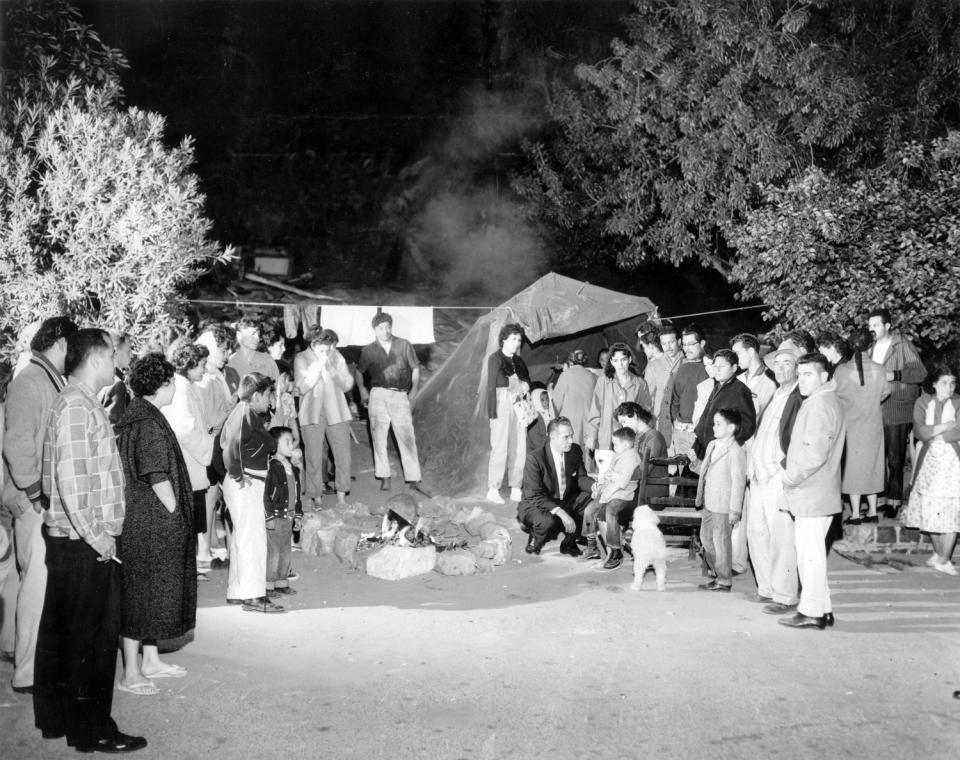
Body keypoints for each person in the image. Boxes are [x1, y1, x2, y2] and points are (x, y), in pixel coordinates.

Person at [35, 328, 147, 752]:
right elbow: (72, 484)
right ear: (98, 359)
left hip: (73, 541)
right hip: (84, 545)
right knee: (94, 642)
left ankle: (64, 721)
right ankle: (93, 730)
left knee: (69, 637)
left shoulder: (75, 402)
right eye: (114, 355)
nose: (119, 362)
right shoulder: (78, 407)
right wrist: (101, 539)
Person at [2, 316, 77, 695]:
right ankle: (28, 673)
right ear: (61, 343)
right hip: (34, 501)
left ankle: (23, 657)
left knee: (31, 582)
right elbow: (17, 445)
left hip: (38, 499)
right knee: (36, 586)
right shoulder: (30, 381)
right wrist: (34, 495)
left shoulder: (45, 378)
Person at [116, 353, 197, 695]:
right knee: (137, 596)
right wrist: (175, 509)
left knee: (145, 594)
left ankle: (150, 660)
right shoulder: (147, 423)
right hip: (149, 522)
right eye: (172, 381)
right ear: (162, 385)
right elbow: (155, 473)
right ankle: (131, 672)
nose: (176, 387)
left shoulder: (141, 415)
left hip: (144, 520)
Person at [778, 353, 845, 630]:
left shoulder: (820, 404)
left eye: (808, 375)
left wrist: (790, 477)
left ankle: (811, 612)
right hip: (816, 491)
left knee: (810, 555)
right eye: (800, 373)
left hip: (812, 491)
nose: (802, 379)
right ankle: (823, 608)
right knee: (812, 552)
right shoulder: (822, 400)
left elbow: (814, 454)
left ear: (824, 376)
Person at [221, 372, 284, 613]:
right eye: (268, 395)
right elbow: (229, 447)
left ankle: (239, 591)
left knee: (243, 539)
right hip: (245, 484)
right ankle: (254, 595)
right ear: (256, 395)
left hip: (245, 482)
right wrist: (237, 474)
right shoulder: (245, 412)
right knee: (253, 540)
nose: (270, 400)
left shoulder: (245, 412)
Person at [747, 345, 802, 612]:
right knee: (757, 533)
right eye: (777, 363)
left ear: (798, 368)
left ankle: (785, 595)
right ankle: (766, 588)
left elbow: (799, 440)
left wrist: (783, 467)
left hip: (777, 475)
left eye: (787, 363)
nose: (780, 368)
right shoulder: (775, 393)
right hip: (757, 476)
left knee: (781, 537)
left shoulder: (799, 396)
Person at [817, 329, 889, 524]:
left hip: (850, 425)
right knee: (873, 466)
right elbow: (885, 393)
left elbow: (834, 394)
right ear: (870, 345)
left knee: (853, 468)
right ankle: (873, 511)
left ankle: (856, 514)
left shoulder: (841, 371)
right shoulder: (880, 369)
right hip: (873, 423)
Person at [900, 363, 960, 576]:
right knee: (930, 506)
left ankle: (943, 558)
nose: (949, 388)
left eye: (952, 384)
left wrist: (937, 434)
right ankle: (939, 554)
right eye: (944, 383)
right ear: (934, 384)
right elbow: (919, 431)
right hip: (929, 461)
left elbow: (959, 431)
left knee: (953, 507)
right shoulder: (922, 402)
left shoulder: (958, 402)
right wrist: (944, 427)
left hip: (953, 461)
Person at [163, 343, 215, 578]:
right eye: (202, 365)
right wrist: (208, 449)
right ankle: (185, 573)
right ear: (190, 364)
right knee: (187, 521)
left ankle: (189, 570)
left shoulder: (186, 385)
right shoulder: (181, 388)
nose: (205, 370)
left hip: (192, 461)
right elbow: (185, 428)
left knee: (192, 522)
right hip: (189, 461)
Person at [868, 308, 926, 516]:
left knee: (895, 458)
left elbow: (920, 372)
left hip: (897, 406)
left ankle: (894, 501)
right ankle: (882, 499)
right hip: (876, 407)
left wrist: (896, 374)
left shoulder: (902, 344)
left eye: (875, 325)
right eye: (869, 325)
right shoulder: (871, 347)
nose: (871, 329)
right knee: (878, 457)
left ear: (887, 326)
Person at [357, 312, 422, 492]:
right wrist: (363, 390)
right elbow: (359, 371)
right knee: (379, 437)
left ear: (391, 327)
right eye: (380, 328)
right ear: (374, 330)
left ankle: (414, 478)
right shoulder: (368, 350)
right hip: (378, 394)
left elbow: (415, 368)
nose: (385, 331)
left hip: (401, 394)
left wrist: (414, 391)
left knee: (407, 436)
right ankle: (384, 476)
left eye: (388, 327)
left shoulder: (404, 345)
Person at [517, 417, 594, 557]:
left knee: (588, 496)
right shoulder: (535, 458)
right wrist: (561, 513)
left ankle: (569, 543)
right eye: (566, 437)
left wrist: (595, 486)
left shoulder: (575, 450)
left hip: (563, 497)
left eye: (572, 435)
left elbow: (581, 478)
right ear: (553, 436)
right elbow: (534, 495)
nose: (571, 440)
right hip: (537, 502)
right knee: (547, 522)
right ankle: (535, 537)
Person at [689, 409, 747, 592]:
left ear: (731, 428)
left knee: (721, 541)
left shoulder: (736, 451)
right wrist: (695, 464)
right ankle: (719, 572)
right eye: (714, 423)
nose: (714, 427)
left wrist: (735, 510)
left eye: (718, 424)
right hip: (708, 501)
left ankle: (724, 580)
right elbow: (707, 471)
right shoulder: (712, 445)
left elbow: (739, 482)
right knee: (706, 538)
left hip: (723, 504)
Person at [295, 327, 354, 507]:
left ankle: (342, 494)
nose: (326, 352)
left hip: (337, 410)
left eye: (329, 348)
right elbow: (302, 388)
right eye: (322, 349)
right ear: (313, 344)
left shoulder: (336, 356)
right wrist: (317, 369)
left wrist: (332, 370)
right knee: (313, 455)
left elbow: (347, 385)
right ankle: (316, 495)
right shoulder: (301, 358)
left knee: (343, 453)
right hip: (312, 412)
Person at [195, 323, 235, 567]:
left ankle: (208, 548)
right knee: (210, 498)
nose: (226, 356)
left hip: (218, 444)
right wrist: (232, 408)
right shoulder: (207, 380)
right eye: (222, 350)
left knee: (214, 497)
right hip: (213, 444)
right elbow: (211, 421)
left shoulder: (216, 375)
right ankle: (204, 551)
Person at [581, 427, 642, 570]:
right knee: (589, 509)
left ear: (626, 445)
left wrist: (607, 494)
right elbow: (609, 473)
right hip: (610, 489)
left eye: (615, 444)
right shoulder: (619, 453)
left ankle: (616, 552)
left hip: (623, 493)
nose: (613, 447)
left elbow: (622, 481)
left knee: (610, 511)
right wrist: (599, 486)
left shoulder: (632, 457)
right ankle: (591, 545)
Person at [484, 323, 531, 504]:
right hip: (501, 405)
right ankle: (493, 488)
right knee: (500, 447)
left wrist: (525, 386)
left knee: (519, 448)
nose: (516, 343)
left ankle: (516, 487)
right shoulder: (495, 359)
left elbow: (527, 379)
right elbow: (490, 386)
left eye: (519, 340)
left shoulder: (519, 361)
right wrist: (492, 414)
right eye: (513, 339)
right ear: (504, 340)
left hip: (519, 406)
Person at [585, 342, 652, 457]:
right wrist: (592, 435)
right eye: (615, 360)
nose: (620, 364)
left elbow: (645, 413)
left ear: (629, 359)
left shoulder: (640, 384)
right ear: (611, 362)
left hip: (630, 442)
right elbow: (595, 409)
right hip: (606, 440)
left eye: (623, 359)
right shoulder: (603, 380)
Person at [692, 349, 756, 458]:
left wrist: (727, 444)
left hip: (722, 452)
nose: (717, 370)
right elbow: (706, 415)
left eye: (722, 367)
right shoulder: (718, 386)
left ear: (734, 368)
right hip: (706, 447)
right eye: (715, 366)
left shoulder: (739, 390)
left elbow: (748, 425)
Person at [264, 427, 302, 595]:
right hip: (277, 516)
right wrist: (269, 516)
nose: (291, 445)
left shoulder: (292, 468)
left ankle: (282, 582)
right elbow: (265, 494)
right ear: (274, 444)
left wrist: (298, 515)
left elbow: (297, 493)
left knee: (286, 550)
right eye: (286, 441)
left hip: (289, 515)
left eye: (292, 441)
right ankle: (268, 585)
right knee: (273, 552)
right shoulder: (271, 467)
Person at [667, 325, 708, 459]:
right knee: (681, 476)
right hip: (680, 432)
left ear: (702, 343)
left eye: (691, 344)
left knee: (697, 476)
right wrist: (676, 422)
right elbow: (675, 400)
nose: (686, 348)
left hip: (700, 434)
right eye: (684, 344)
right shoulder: (682, 369)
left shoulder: (711, 369)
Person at [551, 349, 597, 448]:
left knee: (570, 455)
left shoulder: (566, 375)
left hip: (569, 424)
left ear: (570, 362)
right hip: (589, 424)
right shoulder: (593, 377)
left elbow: (555, 403)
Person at [226, 317, 279, 396]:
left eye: (258, 334)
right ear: (239, 335)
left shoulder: (267, 360)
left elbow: (277, 390)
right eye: (253, 334)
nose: (257, 338)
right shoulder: (230, 363)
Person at [731, 333, 777, 417]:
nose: (735, 359)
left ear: (751, 351)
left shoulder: (769, 381)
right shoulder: (738, 379)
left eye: (737, 354)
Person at [654, 323, 685, 445]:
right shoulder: (654, 366)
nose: (668, 347)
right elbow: (649, 397)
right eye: (664, 344)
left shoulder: (688, 361)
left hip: (683, 423)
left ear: (679, 341)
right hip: (661, 424)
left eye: (671, 342)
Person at [100, 332, 132, 431]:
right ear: (116, 353)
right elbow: (115, 431)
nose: (131, 355)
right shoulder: (116, 384)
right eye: (128, 351)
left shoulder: (101, 377)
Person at [526, 385, 554, 452]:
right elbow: (537, 442)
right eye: (542, 400)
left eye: (547, 398)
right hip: (536, 454)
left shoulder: (550, 413)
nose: (546, 402)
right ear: (536, 400)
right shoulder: (534, 418)